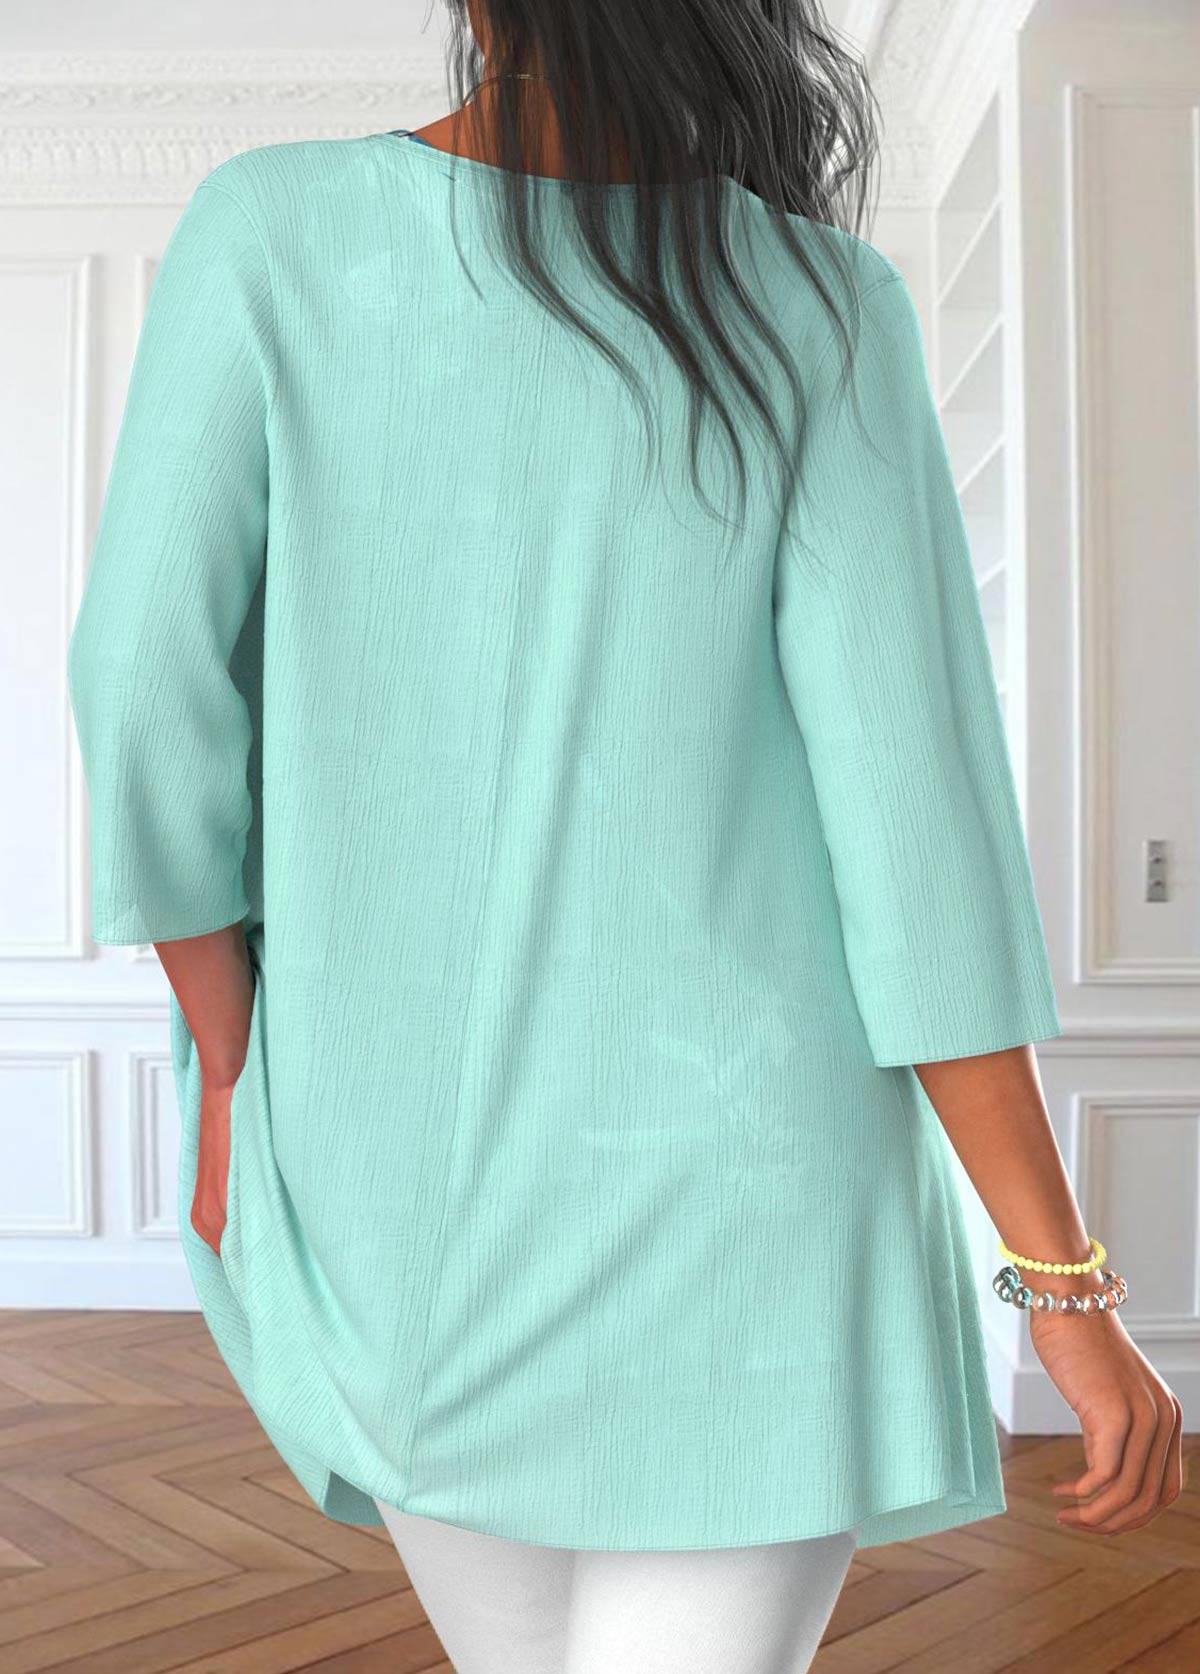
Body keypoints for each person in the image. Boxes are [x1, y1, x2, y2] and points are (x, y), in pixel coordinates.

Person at [66, 1, 1184, 1669]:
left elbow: (142, 689)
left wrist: (232, 1072)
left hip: (402, 1193)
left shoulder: (270, 232)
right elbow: (920, 847)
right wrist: (1061, 1281)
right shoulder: (816, 303)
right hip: (754, 1215)